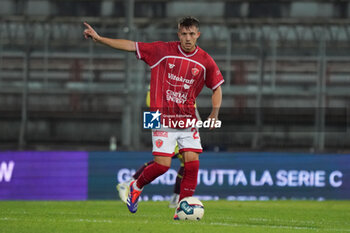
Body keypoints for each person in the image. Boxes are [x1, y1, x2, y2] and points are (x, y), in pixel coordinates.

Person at [83, 16, 224, 219]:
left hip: (188, 118)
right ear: (178, 35)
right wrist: (100, 38)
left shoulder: (204, 60)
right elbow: (131, 45)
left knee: (192, 163)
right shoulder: (162, 50)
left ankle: (181, 207)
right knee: (162, 165)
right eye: (184, 34)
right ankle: (135, 185)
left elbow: (217, 87)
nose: (187, 38)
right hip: (160, 116)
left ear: (198, 35)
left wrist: (215, 111)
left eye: (191, 34)